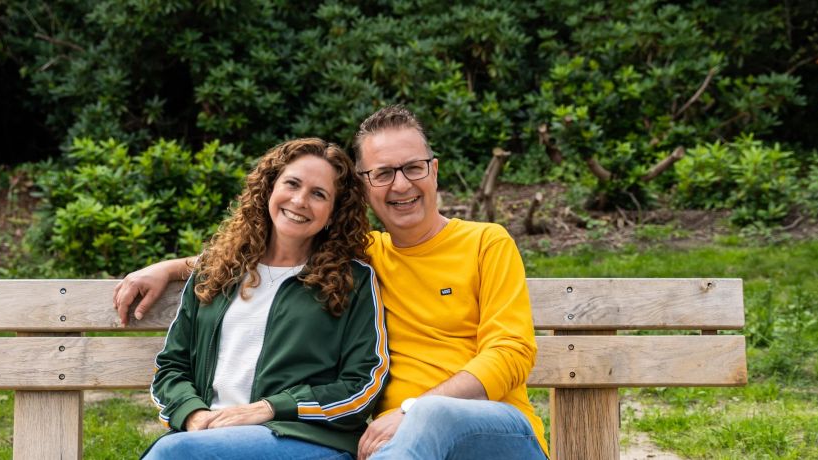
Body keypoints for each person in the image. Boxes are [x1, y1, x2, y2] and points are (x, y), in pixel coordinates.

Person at [115, 106, 548, 459]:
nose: (401, 185)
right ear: (365, 185)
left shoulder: (486, 242)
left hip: (492, 430)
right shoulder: (362, 254)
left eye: (413, 168)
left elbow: (511, 352)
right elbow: (269, 253)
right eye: (383, 173)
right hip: (393, 442)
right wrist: (168, 268)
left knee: (434, 416)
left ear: (434, 170)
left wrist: (414, 409)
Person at [142, 138, 389, 459]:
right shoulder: (217, 269)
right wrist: (193, 414)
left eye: (318, 194)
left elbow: (363, 384)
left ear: (333, 213)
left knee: (172, 454)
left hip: (305, 438)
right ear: (269, 188)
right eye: (292, 184)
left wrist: (271, 408)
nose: (299, 200)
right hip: (208, 436)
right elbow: (171, 367)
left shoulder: (352, 280)